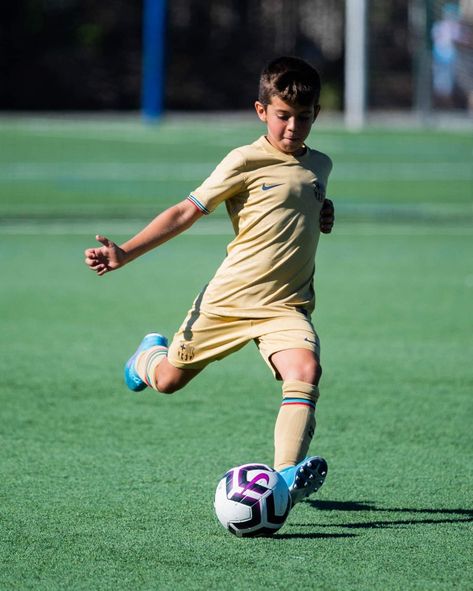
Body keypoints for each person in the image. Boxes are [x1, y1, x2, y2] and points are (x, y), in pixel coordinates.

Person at [84, 56, 335, 507]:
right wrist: (125, 253)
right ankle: (147, 355)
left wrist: (324, 212)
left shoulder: (321, 164)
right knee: (167, 381)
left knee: (305, 372)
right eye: (282, 116)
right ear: (261, 111)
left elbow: (302, 200)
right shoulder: (243, 160)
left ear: (316, 113)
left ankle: (283, 482)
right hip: (228, 301)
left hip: (286, 305)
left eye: (303, 117)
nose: (292, 127)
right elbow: (185, 212)